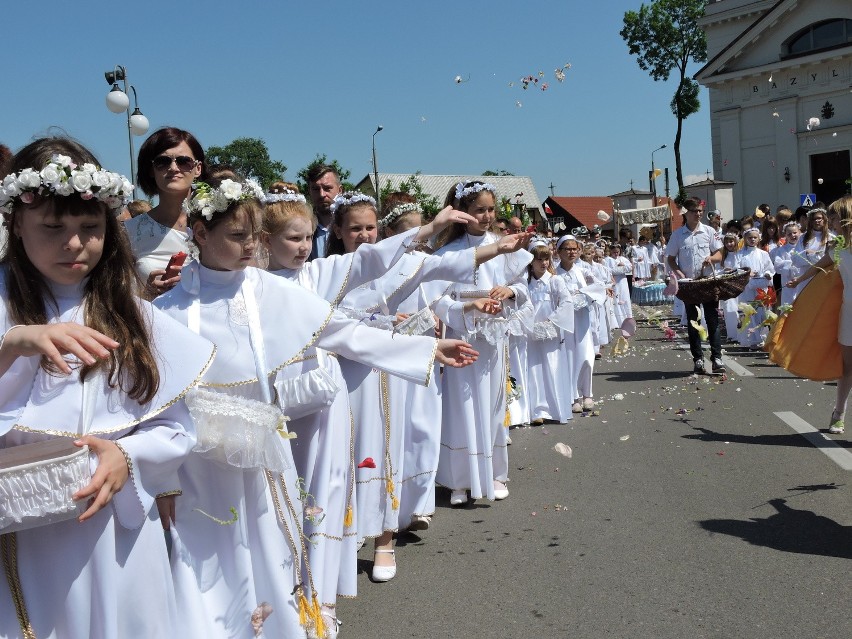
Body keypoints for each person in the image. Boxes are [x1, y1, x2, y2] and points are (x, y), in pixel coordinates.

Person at [155, 176, 479, 638]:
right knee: (206, 559)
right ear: (201, 234)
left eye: (253, 235)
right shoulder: (167, 307)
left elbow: (341, 332)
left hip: (262, 456)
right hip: (197, 464)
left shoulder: (269, 291)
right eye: (236, 236)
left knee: (270, 554)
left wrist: (424, 350)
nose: (250, 246)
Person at [0, 136, 215, 638]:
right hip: (18, 532)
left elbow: (176, 427)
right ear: (16, 221)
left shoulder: (128, 312)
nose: (74, 244)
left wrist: (129, 456)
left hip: (111, 525)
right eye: (52, 227)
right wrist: (13, 344)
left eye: (90, 228)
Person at [430, 181, 533, 506]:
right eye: (479, 210)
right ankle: (459, 478)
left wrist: (510, 292)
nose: (487, 216)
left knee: (491, 405)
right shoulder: (449, 253)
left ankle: (494, 473)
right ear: (464, 213)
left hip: (492, 341)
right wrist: (467, 307)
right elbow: (437, 300)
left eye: (491, 209)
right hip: (462, 338)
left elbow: (524, 289)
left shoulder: (504, 247)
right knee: (460, 408)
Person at [785, 195, 852, 434]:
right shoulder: (836, 247)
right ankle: (839, 413)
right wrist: (799, 280)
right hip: (849, 313)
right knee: (846, 366)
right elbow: (819, 267)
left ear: (845, 218)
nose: (829, 223)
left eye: (833, 218)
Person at [125, 127, 206, 298]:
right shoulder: (129, 233)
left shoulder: (215, 224)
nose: (173, 168)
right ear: (151, 169)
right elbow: (118, 297)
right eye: (163, 162)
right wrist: (146, 293)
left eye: (184, 161)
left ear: (198, 168)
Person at [666, 198, 725, 375]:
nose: (698, 214)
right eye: (694, 211)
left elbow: (720, 254)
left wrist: (711, 259)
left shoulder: (709, 231)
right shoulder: (677, 235)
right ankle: (698, 359)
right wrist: (679, 273)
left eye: (700, 211)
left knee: (713, 321)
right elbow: (670, 258)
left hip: (707, 282)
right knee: (694, 322)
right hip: (689, 285)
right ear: (686, 213)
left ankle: (716, 358)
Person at [526, 239, 575, 424]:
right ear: (531, 261)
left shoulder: (555, 281)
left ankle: (555, 408)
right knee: (534, 369)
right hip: (531, 332)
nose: (543, 263)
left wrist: (552, 320)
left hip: (551, 331)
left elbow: (566, 302)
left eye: (546, 259)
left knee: (552, 367)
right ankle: (538, 410)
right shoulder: (526, 283)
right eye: (539, 259)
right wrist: (529, 323)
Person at [555, 235, 603, 411]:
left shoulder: (583, 270)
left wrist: (588, 295)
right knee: (568, 356)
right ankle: (573, 395)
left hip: (582, 318)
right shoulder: (554, 273)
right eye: (567, 249)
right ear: (559, 251)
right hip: (565, 320)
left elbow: (598, 286)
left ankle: (587, 394)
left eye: (574, 248)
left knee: (585, 355)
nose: (571, 252)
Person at [735, 227, 775, 348]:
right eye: (750, 237)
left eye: (755, 237)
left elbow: (770, 268)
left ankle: (762, 337)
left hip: (760, 286)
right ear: (745, 239)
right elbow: (736, 268)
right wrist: (746, 273)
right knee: (748, 312)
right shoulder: (740, 254)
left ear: (759, 239)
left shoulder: (763, 253)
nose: (752, 240)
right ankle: (750, 339)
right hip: (747, 287)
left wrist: (768, 274)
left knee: (761, 312)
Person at [789, 207, 832, 300]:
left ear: (824, 219)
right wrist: (807, 254)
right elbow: (795, 259)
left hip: (823, 277)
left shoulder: (831, 237)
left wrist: (813, 255)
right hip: (805, 278)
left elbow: (830, 258)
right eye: (814, 219)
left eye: (819, 218)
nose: (817, 221)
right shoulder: (803, 237)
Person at [306, 164, 343, 260]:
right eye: (315, 189)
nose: (322, 194)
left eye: (327, 188)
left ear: (340, 190)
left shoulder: (350, 226)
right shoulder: (304, 228)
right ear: (309, 191)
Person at [771, 222, 802, 306]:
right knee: (789, 305)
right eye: (789, 234)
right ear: (785, 236)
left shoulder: (803, 246)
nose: (792, 235)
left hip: (802, 280)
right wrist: (790, 264)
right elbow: (777, 266)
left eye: (795, 233)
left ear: (799, 232)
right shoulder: (782, 250)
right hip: (788, 283)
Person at [604, 242, 633, 328]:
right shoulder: (608, 260)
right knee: (616, 298)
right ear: (610, 251)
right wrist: (621, 269)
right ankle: (617, 320)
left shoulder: (623, 259)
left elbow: (630, 267)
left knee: (624, 296)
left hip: (622, 281)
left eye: (617, 252)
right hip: (615, 281)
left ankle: (627, 318)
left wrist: (623, 266)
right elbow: (610, 271)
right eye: (614, 252)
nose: (616, 254)